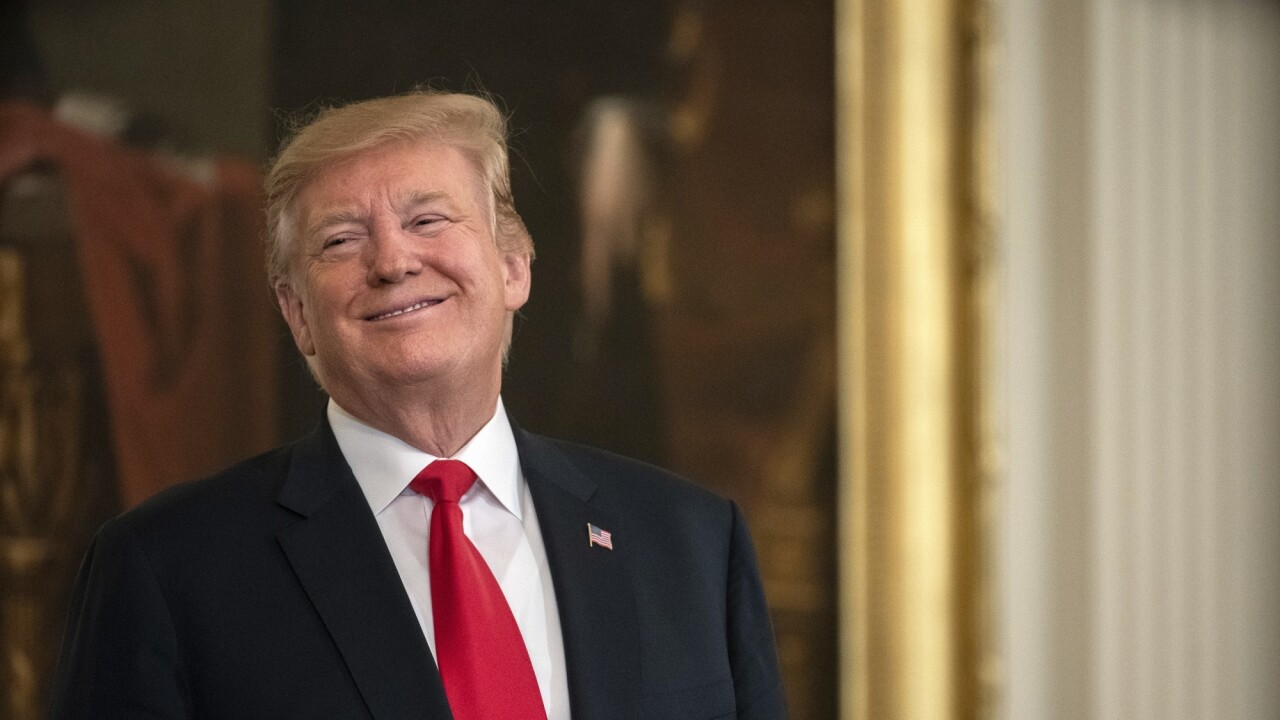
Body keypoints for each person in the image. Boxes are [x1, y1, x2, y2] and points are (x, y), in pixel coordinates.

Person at [49, 91, 787, 720]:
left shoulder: (692, 543)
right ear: (297, 313)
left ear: (513, 268)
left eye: (429, 220)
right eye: (341, 239)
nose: (394, 262)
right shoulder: (165, 570)